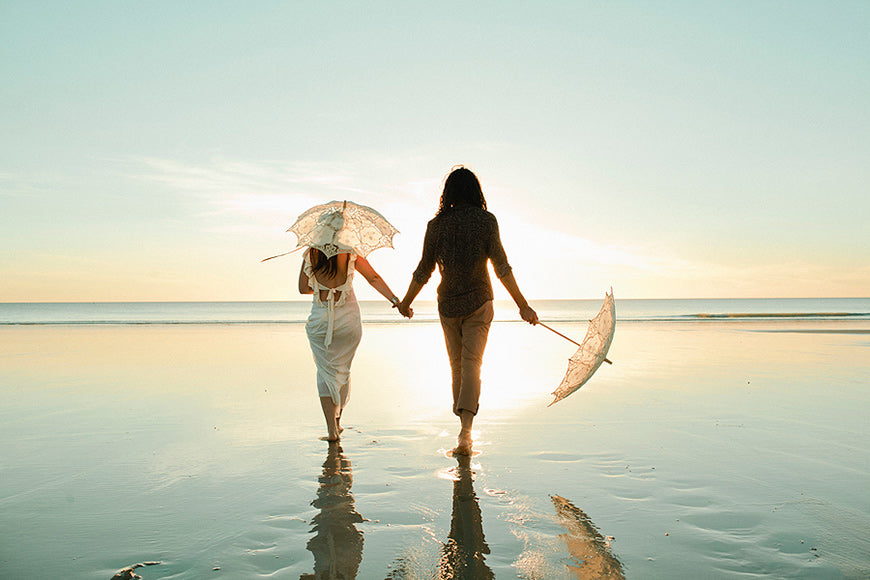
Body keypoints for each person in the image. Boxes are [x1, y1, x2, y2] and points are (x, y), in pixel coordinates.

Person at [397, 166, 537, 455]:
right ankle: (466, 431)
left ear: (447, 193)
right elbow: (502, 266)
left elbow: (423, 270)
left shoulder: (436, 226)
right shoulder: (486, 221)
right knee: (473, 364)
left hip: (447, 304)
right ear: (476, 192)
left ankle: (463, 425)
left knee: (457, 365)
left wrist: (406, 301)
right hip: (479, 303)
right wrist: (522, 305)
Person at [300, 244, 406, 441]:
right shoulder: (349, 251)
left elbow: (302, 288)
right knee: (343, 370)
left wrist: (320, 286)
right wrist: (396, 300)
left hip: (320, 321)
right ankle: (338, 422)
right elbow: (373, 278)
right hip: (348, 320)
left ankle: (331, 430)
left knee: (325, 373)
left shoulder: (311, 252)